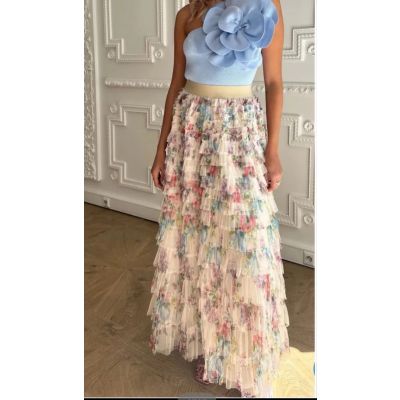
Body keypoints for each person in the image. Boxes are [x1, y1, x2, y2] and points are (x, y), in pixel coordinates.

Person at [146, 0, 290, 397]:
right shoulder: (186, 14)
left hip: (238, 132)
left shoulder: (265, 5)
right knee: (198, 241)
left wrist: (272, 151)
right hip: (191, 132)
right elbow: (175, 85)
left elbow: (274, 83)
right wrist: (161, 150)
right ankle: (211, 343)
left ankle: (247, 351)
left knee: (245, 241)